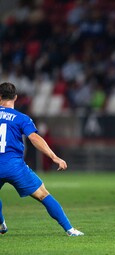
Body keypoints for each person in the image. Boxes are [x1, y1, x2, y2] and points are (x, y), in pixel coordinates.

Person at [0, 82, 84, 236]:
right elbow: (34, 138)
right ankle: (70, 230)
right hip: (15, 167)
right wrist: (54, 157)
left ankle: (1, 224)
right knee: (43, 195)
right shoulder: (21, 118)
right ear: (15, 97)